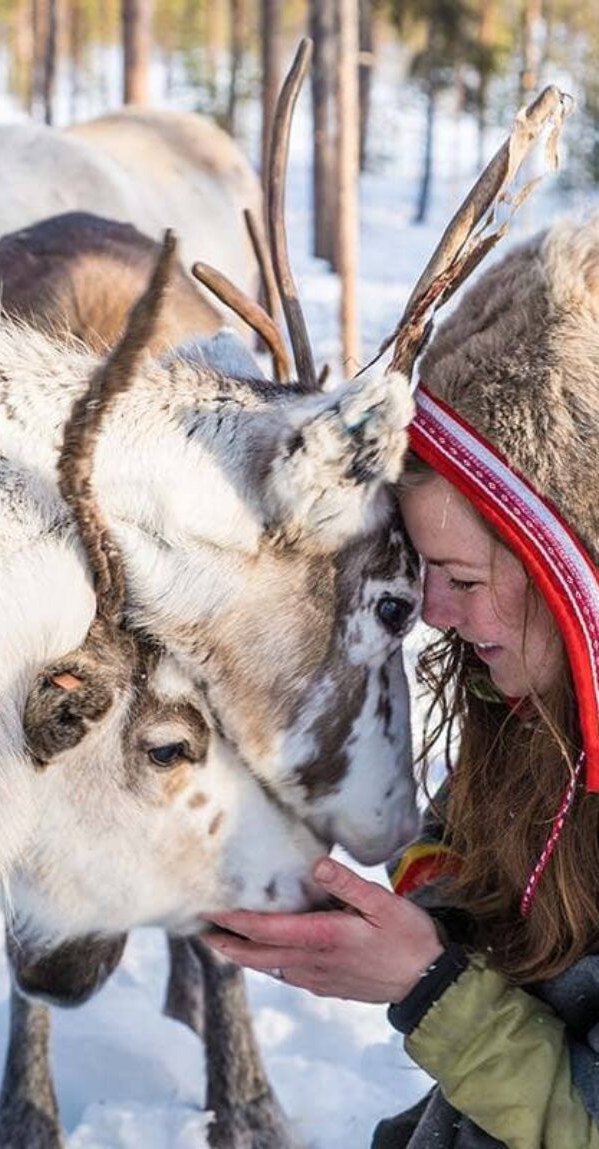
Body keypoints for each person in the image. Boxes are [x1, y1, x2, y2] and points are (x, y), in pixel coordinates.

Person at [203, 214, 599, 1149]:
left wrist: (427, 985)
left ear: (575, 560)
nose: (437, 615)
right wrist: (395, 911)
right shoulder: (532, 704)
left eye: (463, 580)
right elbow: (458, 848)